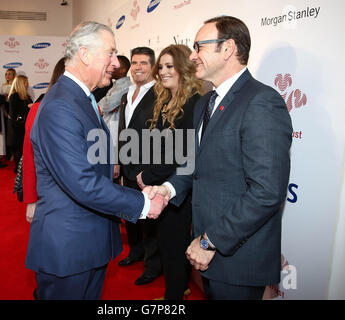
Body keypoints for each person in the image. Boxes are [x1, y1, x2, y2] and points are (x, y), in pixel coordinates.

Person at [148, 16, 293, 300]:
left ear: (227, 49)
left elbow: (266, 192)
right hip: (208, 253)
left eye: (199, 47)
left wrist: (209, 240)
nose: (192, 56)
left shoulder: (261, 102)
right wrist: (167, 190)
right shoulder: (205, 101)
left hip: (238, 256)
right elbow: (195, 165)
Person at [24, 21, 167, 300]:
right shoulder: (61, 106)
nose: (116, 62)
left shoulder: (80, 97)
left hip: (87, 242)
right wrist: (143, 202)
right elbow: (82, 182)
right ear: (86, 54)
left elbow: (93, 164)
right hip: (69, 249)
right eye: (111, 53)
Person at [136, 44, 202, 299]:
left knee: (174, 247)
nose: (163, 71)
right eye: (160, 67)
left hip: (178, 190)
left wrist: (147, 176)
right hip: (160, 187)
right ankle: (176, 291)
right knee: (166, 244)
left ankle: (174, 297)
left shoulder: (193, 103)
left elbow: (181, 154)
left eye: (169, 66)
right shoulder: (166, 100)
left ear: (184, 68)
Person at [117, 47, 162, 286]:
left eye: (144, 63)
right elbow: (123, 130)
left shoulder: (160, 94)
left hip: (147, 169)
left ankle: (153, 265)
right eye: (134, 62)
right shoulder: (127, 93)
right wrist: (118, 159)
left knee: (149, 219)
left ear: (153, 66)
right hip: (127, 165)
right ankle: (135, 252)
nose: (138, 67)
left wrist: (150, 169)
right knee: (129, 213)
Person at [23, 57, 66, 224]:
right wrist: (31, 199)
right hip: (52, 195)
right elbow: (29, 154)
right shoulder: (38, 109)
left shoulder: (93, 106)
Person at [98, 55, 132, 155]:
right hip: (108, 129)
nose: (111, 68)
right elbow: (102, 105)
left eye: (115, 66)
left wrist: (104, 107)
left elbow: (106, 105)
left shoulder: (126, 86)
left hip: (114, 132)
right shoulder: (116, 85)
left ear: (123, 70)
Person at [8, 75, 32, 173]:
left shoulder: (26, 96)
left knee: (24, 149)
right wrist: (28, 107)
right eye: (26, 82)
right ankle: (19, 170)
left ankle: (24, 168)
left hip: (24, 127)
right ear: (21, 83)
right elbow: (14, 114)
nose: (27, 84)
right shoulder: (14, 96)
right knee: (18, 150)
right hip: (17, 128)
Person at [0, 68, 16, 161]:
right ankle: (9, 154)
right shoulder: (3, 86)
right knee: (7, 132)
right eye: (6, 74)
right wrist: (5, 112)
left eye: (9, 74)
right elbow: (2, 102)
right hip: (6, 109)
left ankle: (16, 153)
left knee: (15, 132)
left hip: (15, 109)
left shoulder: (16, 86)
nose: (7, 76)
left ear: (14, 75)